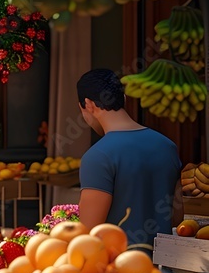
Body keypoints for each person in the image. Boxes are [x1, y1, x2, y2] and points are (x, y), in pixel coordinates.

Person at [77, 69, 182, 248]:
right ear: (124, 99)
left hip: (118, 271)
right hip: (164, 270)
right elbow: (177, 218)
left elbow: (87, 238)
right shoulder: (168, 146)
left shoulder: (97, 157)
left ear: (88, 104)